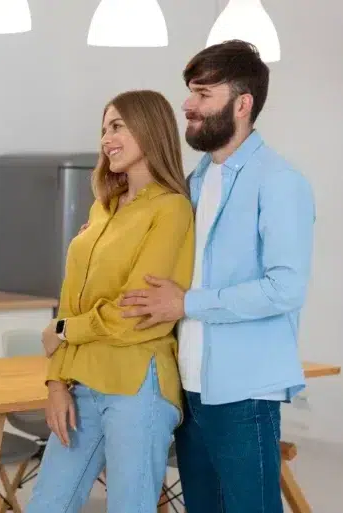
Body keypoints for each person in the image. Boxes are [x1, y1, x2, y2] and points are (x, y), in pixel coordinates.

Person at [120, 40, 315, 513]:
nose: (188, 104)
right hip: (190, 387)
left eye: (204, 94)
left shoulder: (279, 181)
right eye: (190, 92)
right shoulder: (197, 180)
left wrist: (187, 303)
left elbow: (285, 287)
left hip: (245, 392)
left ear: (242, 104)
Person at [27, 89, 195, 513]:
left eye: (117, 126)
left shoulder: (171, 209)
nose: (106, 139)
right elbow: (71, 301)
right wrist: (56, 382)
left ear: (149, 129)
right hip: (81, 384)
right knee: (47, 504)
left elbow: (136, 312)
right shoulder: (103, 209)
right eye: (104, 129)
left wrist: (64, 332)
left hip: (138, 386)